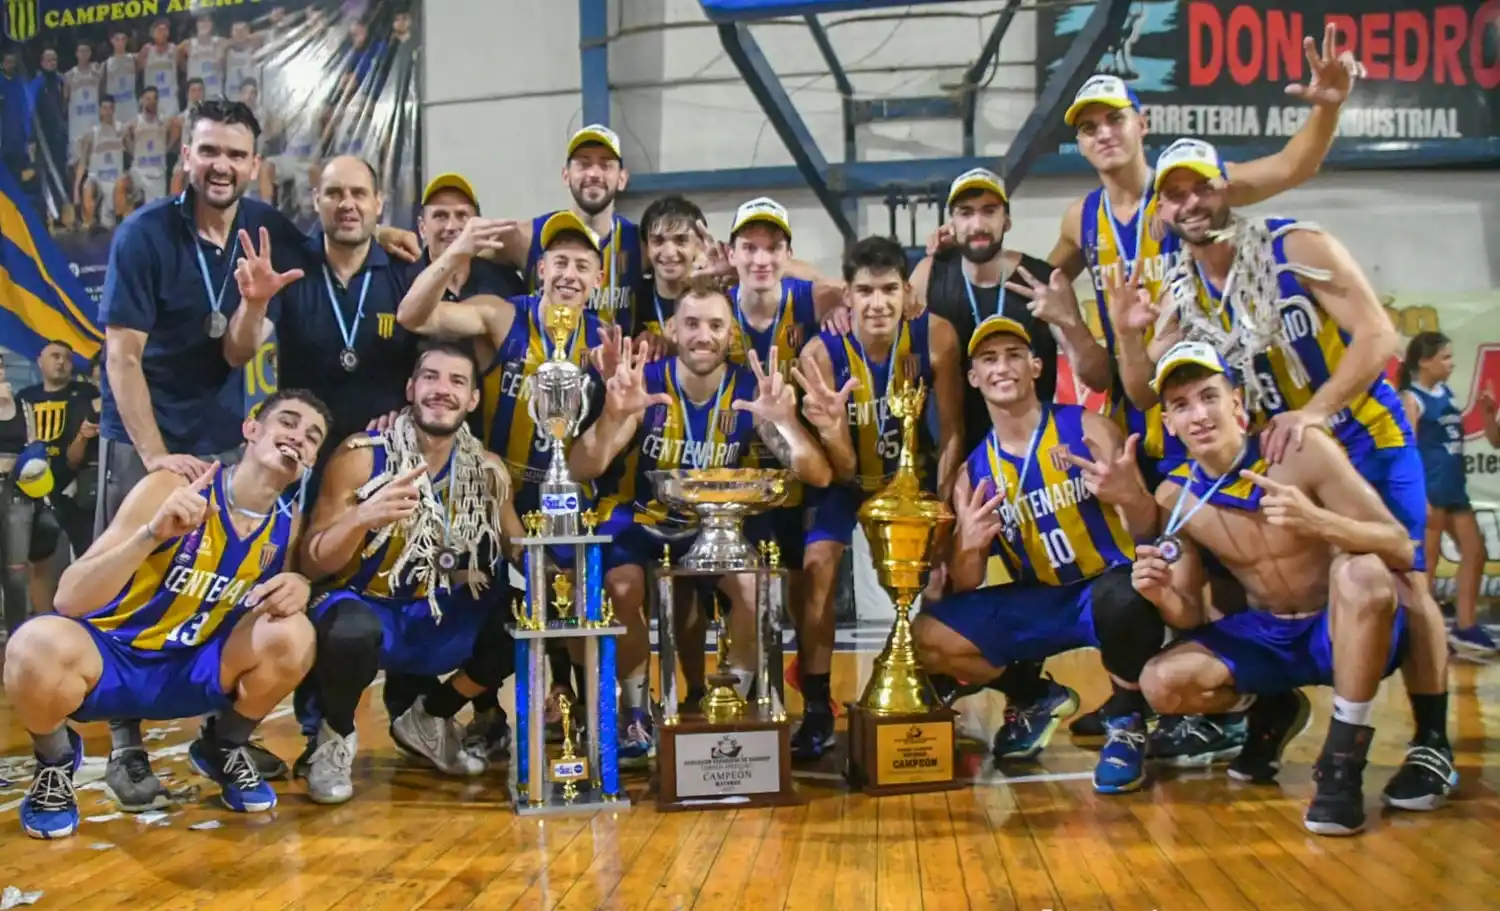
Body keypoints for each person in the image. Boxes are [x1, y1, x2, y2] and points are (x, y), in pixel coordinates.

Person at [1016, 30, 1358, 744]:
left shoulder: (1188, 191)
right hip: (1140, 403)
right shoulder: (1081, 218)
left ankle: (1250, 697)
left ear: (1141, 123)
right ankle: (1155, 696)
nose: (1104, 133)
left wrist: (1326, 108)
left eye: (1114, 118)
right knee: (1155, 564)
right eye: (1088, 126)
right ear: (1079, 142)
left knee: (1231, 562)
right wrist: (946, 265)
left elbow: (1293, 165)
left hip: (1208, 404)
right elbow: (1033, 279)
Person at [97, 98, 413, 812]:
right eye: (209, 150)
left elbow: (246, 338)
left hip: (224, 434)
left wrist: (388, 232)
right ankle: (125, 744)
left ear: (254, 165)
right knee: (130, 582)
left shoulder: (264, 227)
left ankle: (223, 734)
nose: (222, 165)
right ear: (186, 155)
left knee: (223, 581)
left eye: (235, 154)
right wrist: (155, 455)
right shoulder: (145, 235)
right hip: (143, 435)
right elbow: (122, 357)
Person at [1147, 137, 1458, 811]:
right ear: (1163, 210)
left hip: (1356, 431)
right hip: (1279, 440)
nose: (1190, 203)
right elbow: (1158, 371)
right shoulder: (1181, 287)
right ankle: (1272, 702)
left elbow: (1378, 335)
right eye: (1175, 194)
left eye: (1202, 187)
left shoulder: (1294, 246)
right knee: (1244, 579)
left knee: (1400, 572)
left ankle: (1431, 740)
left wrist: (1317, 411)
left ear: (1227, 189)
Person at [4, 389, 329, 840]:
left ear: (312, 459)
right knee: (32, 644)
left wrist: (300, 585)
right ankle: (55, 763)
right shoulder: (170, 487)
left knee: (295, 633)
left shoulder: (286, 524)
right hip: (115, 659)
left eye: (312, 436)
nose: (298, 437)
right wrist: (150, 536)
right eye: (288, 422)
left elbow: (275, 603)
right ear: (251, 429)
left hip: (191, 668)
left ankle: (224, 745)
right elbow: (70, 598)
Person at [1123, 344, 1412, 835]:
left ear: (1236, 402)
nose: (1199, 415)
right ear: (1168, 423)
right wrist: (1159, 593)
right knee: (1160, 684)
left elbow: (1400, 545)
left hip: (1340, 625)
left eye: (1209, 396)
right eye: (1181, 405)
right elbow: (1189, 615)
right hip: (1270, 633)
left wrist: (1319, 522)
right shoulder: (1174, 496)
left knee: (1362, 574)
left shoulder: (1299, 451)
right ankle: (1271, 706)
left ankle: (1342, 760)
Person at [568, 281, 834, 763]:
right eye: (691, 324)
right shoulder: (646, 382)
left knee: (755, 590)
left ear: (731, 333)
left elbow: (817, 474)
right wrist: (611, 415)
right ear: (672, 328)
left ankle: (731, 702)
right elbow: (582, 468)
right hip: (648, 516)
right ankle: (634, 710)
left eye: (715, 325)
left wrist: (788, 423)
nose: (703, 336)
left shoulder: (751, 390)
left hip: (725, 522)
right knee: (622, 587)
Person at [914, 314, 1162, 791]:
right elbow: (967, 581)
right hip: (1042, 597)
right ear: (973, 377)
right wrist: (968, 543)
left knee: (1126, 594)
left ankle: (1128, 720)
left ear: (1035, 366)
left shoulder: (1088, 428)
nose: (1001, 367)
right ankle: (1033, 695)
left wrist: (1129, 496)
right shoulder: (974, 472)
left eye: (1013, 356)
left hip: (1109, 586)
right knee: (929, 633)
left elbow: (1149, 528)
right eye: (989, 359)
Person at [296, 343, 523, 803]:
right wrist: (360, 519)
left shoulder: (487, 469)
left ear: (473, 399)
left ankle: (431, 716)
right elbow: (311, 562)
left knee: (527, 615)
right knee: (350, 630)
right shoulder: (361, 455)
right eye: (430, 377)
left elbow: (517, 546)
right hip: (365, 605)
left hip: (436, 614)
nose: (442, 390)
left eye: (457, 381)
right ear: (410, 388)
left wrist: (566, 565)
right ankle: (333, 739)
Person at [788, 236, 963, 761]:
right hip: (846, 482)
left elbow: (953, 431)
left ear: (907, 292)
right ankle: (817, 705)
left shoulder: (936, 336)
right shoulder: (820, 353)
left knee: (947, 566)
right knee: (817, 567)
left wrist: (944, 511)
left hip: (914, 477)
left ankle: (937, 681)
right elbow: (837, 465)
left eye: (889, 289)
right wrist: (834, 430)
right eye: (865, 291)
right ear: (848, 295)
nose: (878, 303)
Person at [1399, 332, 1500, 654]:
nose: (1451, 363)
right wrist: (1418, 496)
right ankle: (1422, 634)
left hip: (1454, 487)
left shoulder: (1447, 394)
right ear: (1424, 362)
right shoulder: (1410, 398)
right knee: (1426, 565)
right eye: (1445, 357)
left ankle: (1465, 626)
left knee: (1475, 551)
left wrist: (1488, 414)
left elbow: (1490, 440)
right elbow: (1406, 451)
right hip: (1430, 489)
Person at [490, 125, 643, 333]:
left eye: (606, 165)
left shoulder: (639, 243)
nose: (594, 174)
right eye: (583, 164)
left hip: (614, 353)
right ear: (566, 175)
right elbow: (465, 255)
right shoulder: (528, 235)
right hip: (543, 352)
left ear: (622, 179)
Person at [0, 357, 33, 635]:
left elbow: (34, 447)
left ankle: (17, 635)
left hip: (16, 492)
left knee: (15, 572)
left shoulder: (23, 405)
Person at [73, 96, 124, 230]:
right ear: (99, 111)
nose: (107, 112)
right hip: (98, 180)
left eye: (110, 108)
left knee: (122, 183)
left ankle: (119, 222)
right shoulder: (91, 134)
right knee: (88, 187)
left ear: (114, 110)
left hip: (115, 180)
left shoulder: (122, 130)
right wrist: (76, 189)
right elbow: (82, 163)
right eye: (104, 108)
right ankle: (91, 221)